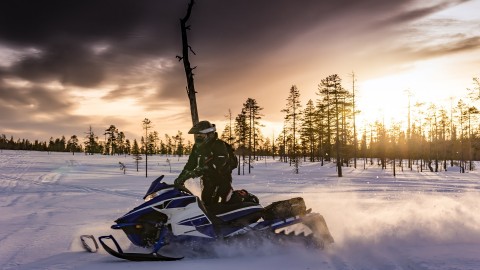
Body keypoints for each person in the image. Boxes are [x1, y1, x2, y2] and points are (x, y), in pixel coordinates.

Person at [174, 120, 236, 206]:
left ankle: (235, 216)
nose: (198, 137)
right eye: (197, 135)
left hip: (222, 178)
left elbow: (219, 163)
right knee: (206, 203)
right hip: (208, 179)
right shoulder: (197, 147)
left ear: (209, 134)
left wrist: (200, 170)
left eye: (201, 135)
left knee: (226, 200)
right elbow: (191, 164)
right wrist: (181, 178)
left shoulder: (218, 145)